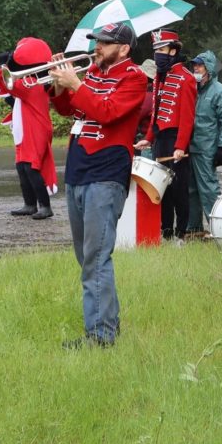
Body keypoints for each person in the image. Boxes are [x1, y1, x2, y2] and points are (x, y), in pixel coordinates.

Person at [48, 21, 146, 348]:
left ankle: (101, 336)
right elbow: (69, 110)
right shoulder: (93, 73)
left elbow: (106, 112)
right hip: (78, 170)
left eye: (105, 42)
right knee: (85, 256)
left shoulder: (135, 77)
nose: (98, 47)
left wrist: (76, 83)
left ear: (124, 48)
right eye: (97, 41)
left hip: (106, 172)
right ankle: (106, 325)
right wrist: (60, 85)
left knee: (96, 257)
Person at [135, 28, 197, 242]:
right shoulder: (160, 77)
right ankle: (166, 232)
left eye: (161, 49)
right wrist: (149, 138)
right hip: (161, 140)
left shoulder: (186, 78)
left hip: (176, 140)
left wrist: (181, 146)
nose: (157, 55)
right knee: (163, 189)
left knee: (179, 190)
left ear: (173, 51)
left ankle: (181, 234)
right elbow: (156, 113)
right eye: (156, 50)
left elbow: (187, 118)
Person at [3, 37, 59, 220]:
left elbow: (10, 86)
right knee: (21, 166)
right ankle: (29, 204)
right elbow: (12, 97)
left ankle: (45, 206)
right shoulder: (29, 82)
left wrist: (4, 65)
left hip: (35, 128)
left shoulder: (32, 83)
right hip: (24, 129)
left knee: (31, 167)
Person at [187, 50, 222, 236]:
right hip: (190, 146)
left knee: (208, 190)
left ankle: (218, 230)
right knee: (191, 190)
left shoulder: (220, 91)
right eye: (194, 66)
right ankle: (194, 229)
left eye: (199, 65)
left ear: (209, 68)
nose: (196, 69)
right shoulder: (193, 89)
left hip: (207, 148)